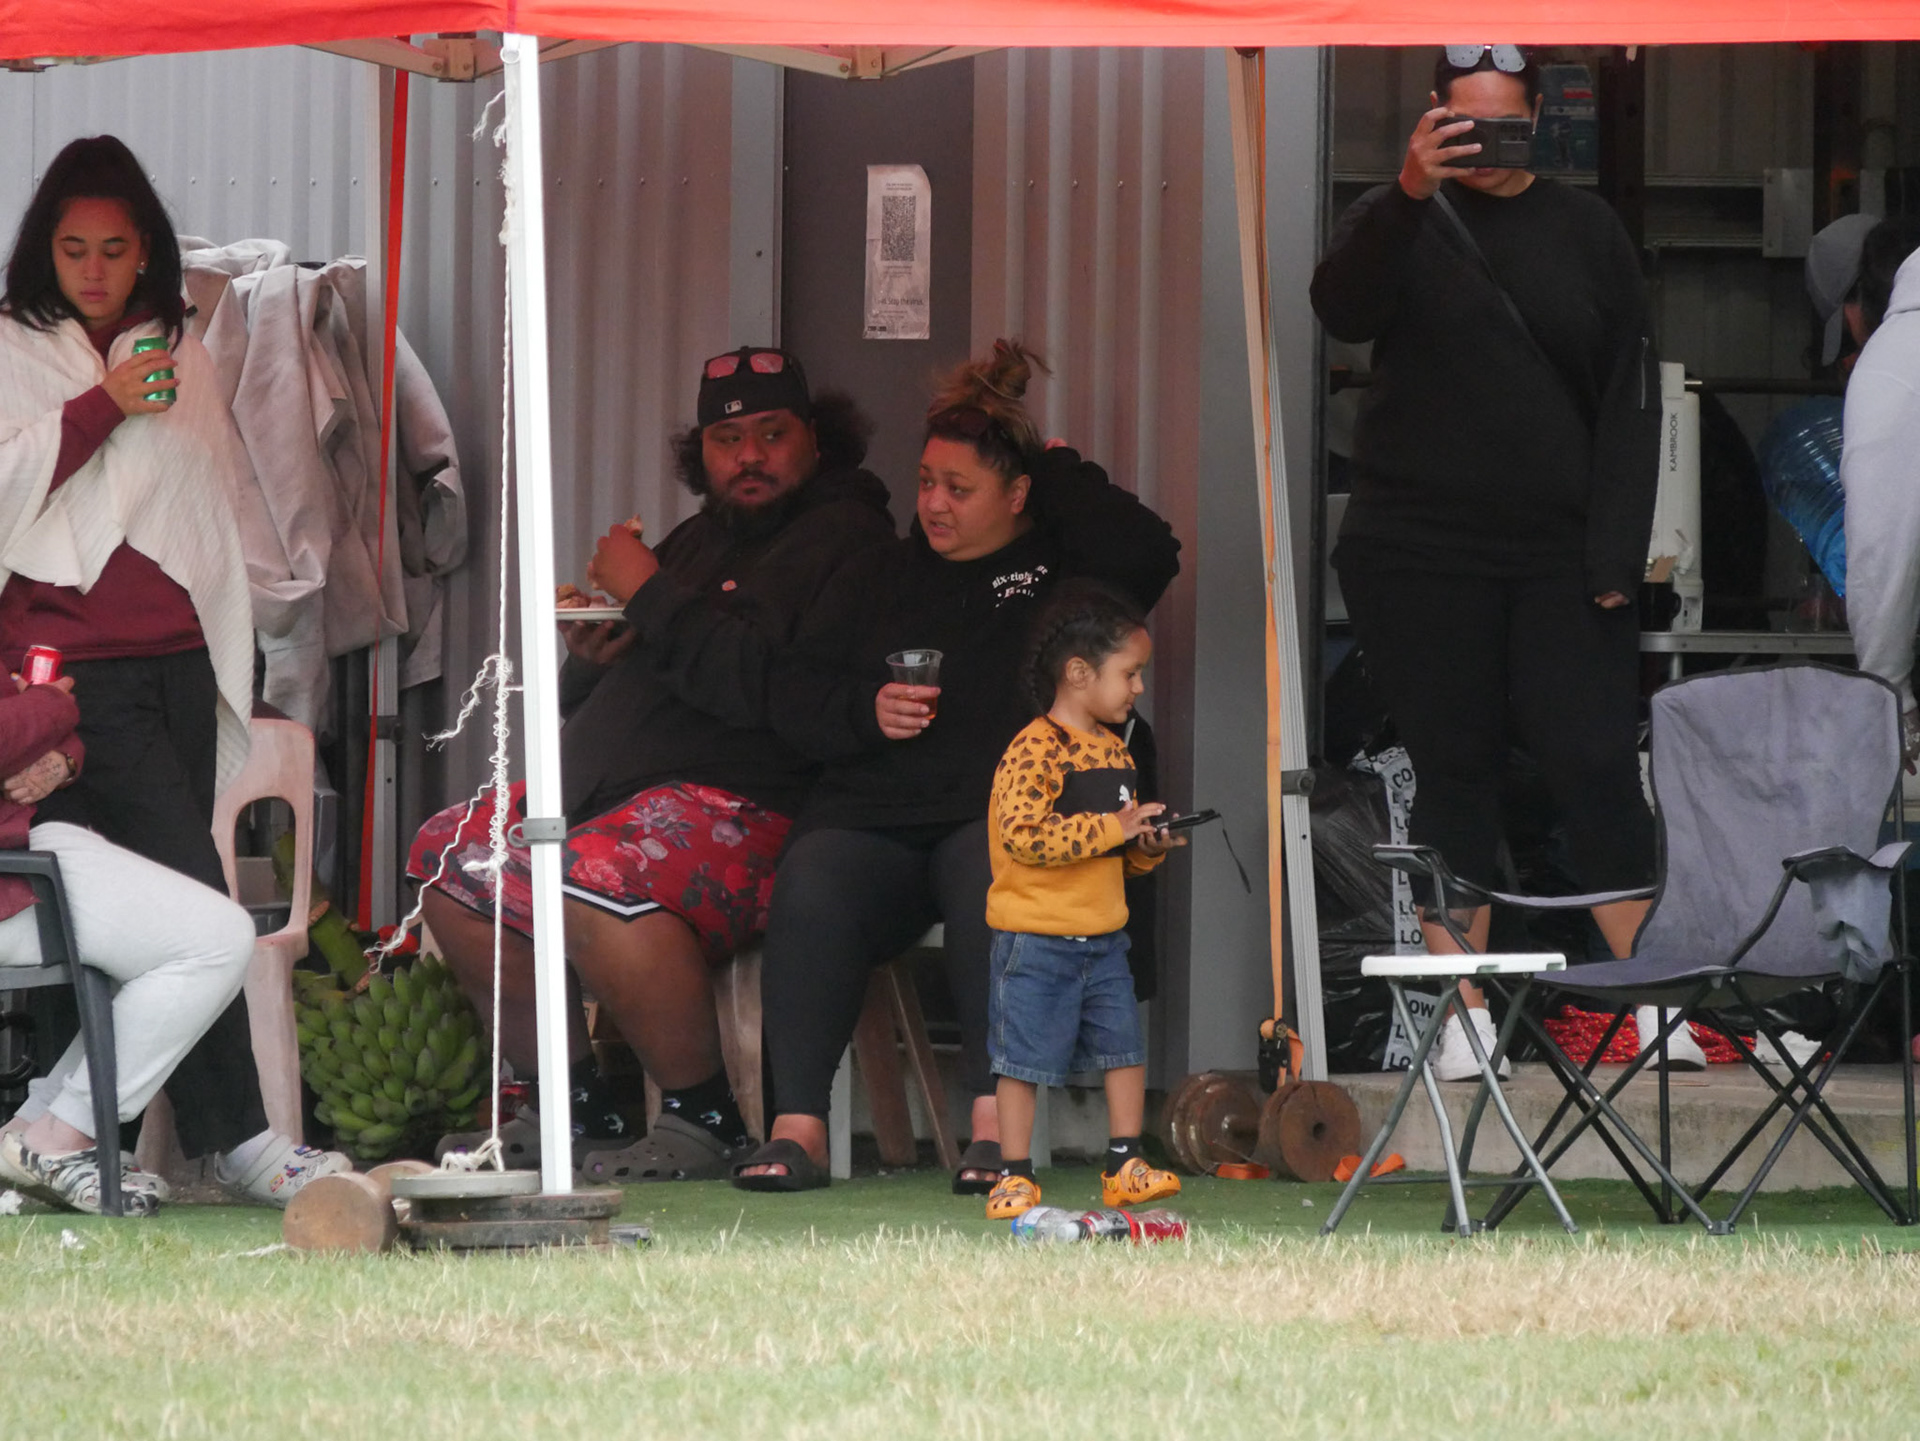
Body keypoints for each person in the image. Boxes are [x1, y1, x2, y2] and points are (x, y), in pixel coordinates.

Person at [408, 346, 894, 1179]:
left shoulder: (850, 539)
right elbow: (631, 668)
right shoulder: (697, 539)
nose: (748, 456)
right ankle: (570, 1104)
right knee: (451, 855)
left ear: (817, 439)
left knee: (589, 872)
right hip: (610, 793)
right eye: (726, 439)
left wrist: (650, 591)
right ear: (699, 452)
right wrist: (591, 654)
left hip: (751, 808)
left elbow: (766, 686)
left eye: (772, 434)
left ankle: (703, 1113)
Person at [732, 340, 1181, 1191]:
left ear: (1017, 495)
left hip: (999, 814)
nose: (934, 504)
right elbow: (793, 693)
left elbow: (1150, 549)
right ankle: (798, 1128)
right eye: (926, 481)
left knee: (995, 869)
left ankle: (992, 1128)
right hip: (878, 811)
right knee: (815, 875)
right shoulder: (878, 574)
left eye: (960, 488)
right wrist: (867, 710)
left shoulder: (1064, 582)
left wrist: (1051, 464)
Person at [0, 135, 349, 1201]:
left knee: (131, 916)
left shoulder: (180, 347)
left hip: (179, 665)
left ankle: (67, 1141)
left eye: (114, 249)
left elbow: (206, 506)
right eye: (73, 250)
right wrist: (103, 403)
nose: (94, 270)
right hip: (63, 680)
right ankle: (236, 1140)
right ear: (43, 250)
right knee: (185, 904)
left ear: (147, 249)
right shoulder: (12, 345)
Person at [1309, 47, 1669, 1078]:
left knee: (1595, 761)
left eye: (1505, 123)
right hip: (1418, 549)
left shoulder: (1587, 230)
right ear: (1434, 117)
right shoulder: (1399, 216)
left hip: (1561, 551)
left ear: (1541, 117)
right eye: (1465, 125)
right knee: (1452, 768)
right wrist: (1410, 190)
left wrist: (1617, 552)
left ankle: (1653, 996)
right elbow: (1341, 309)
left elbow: (1631, 398)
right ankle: (1459, 1009)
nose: (1486, 145)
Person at [0, 670, 256, 1216]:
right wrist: (52, 706)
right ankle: (59, 1138)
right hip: (12, 868)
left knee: (197, 934)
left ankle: (33, 1130)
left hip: (24, 842)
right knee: (216, 941)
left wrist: (61, 751)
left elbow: (43, 736)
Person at [979, 580, 1185, 1221]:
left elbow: (1115, 853)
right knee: (1020, 1061)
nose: (1139, 687)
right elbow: (1025, 837)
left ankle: (1124, 1163)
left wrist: (1146, 845)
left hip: (1104, 935)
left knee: (1124, 1049)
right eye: (1130, 673)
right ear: (1077, 673)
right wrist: (1114, 828)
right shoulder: (1034, 749)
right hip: (1034, 938)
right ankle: (1014, 1174)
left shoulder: (1114, 750)